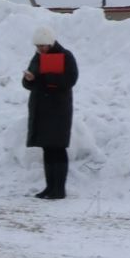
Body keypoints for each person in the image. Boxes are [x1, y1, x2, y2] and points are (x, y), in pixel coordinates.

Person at [23, 26, 78, 200]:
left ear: (51, 42)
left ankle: (59, 189)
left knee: (58, 149)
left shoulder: (66, 56)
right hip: (42, 109)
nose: (40, 49)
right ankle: (49, 187)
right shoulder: (37, 57)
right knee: (47, 149)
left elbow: (70, 79)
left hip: (58, 110)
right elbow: (29, 84)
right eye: (38, 46)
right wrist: (28, 79)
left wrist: (44, 77)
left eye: (43, 45)